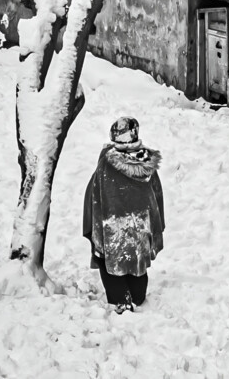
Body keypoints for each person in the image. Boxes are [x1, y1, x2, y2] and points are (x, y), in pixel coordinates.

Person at [83, 116, 165, 314]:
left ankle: (121, 300)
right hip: (140, 228)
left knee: (111, 262)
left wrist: (93, 226)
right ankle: (137, 297)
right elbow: (156, 197)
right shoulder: (147, 163)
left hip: (112, 229)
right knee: (136, 261)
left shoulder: (106, 163)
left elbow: (95, 195)